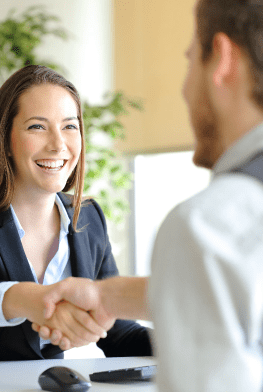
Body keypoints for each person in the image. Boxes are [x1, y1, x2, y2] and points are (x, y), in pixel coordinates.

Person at [34, 0, 263, 390]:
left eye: (191, 62)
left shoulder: (205, 226)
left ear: (222, 60)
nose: (184, 89)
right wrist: (106, 296)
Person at [0, 64, 152, 362]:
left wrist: (192, 340)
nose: (58, 144)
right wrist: (28, 300)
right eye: (37, 126)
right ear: (6, 140)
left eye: (70, 126)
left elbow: (121, 333)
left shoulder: (87, 217)